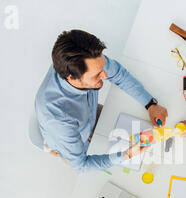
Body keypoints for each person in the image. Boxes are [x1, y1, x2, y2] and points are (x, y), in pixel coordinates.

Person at [35, 29, 168, 172]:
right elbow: (82, 165)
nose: (105, 75)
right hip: (74, 139)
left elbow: (119, 75)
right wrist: (128, 154)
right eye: (97, 74)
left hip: (88, 114)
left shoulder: (82, 62)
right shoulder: (58, 118)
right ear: (72, 78)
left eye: (103, 67)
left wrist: (150, 105)